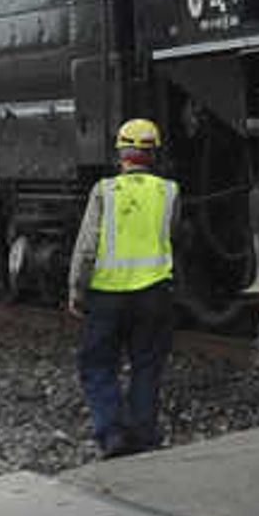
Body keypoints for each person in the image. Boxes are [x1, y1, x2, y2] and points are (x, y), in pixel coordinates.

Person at [68, 117, 187, 456]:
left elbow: (87, 246)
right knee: (147, 365)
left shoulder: (104, 190)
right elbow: (172, 235)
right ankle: (144, 434)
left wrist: (77, 290)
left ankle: (112, 433)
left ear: (121, 152)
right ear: (154, 154)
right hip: (154, 295)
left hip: (107, 297)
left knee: (97, 365)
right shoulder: (170, 191)